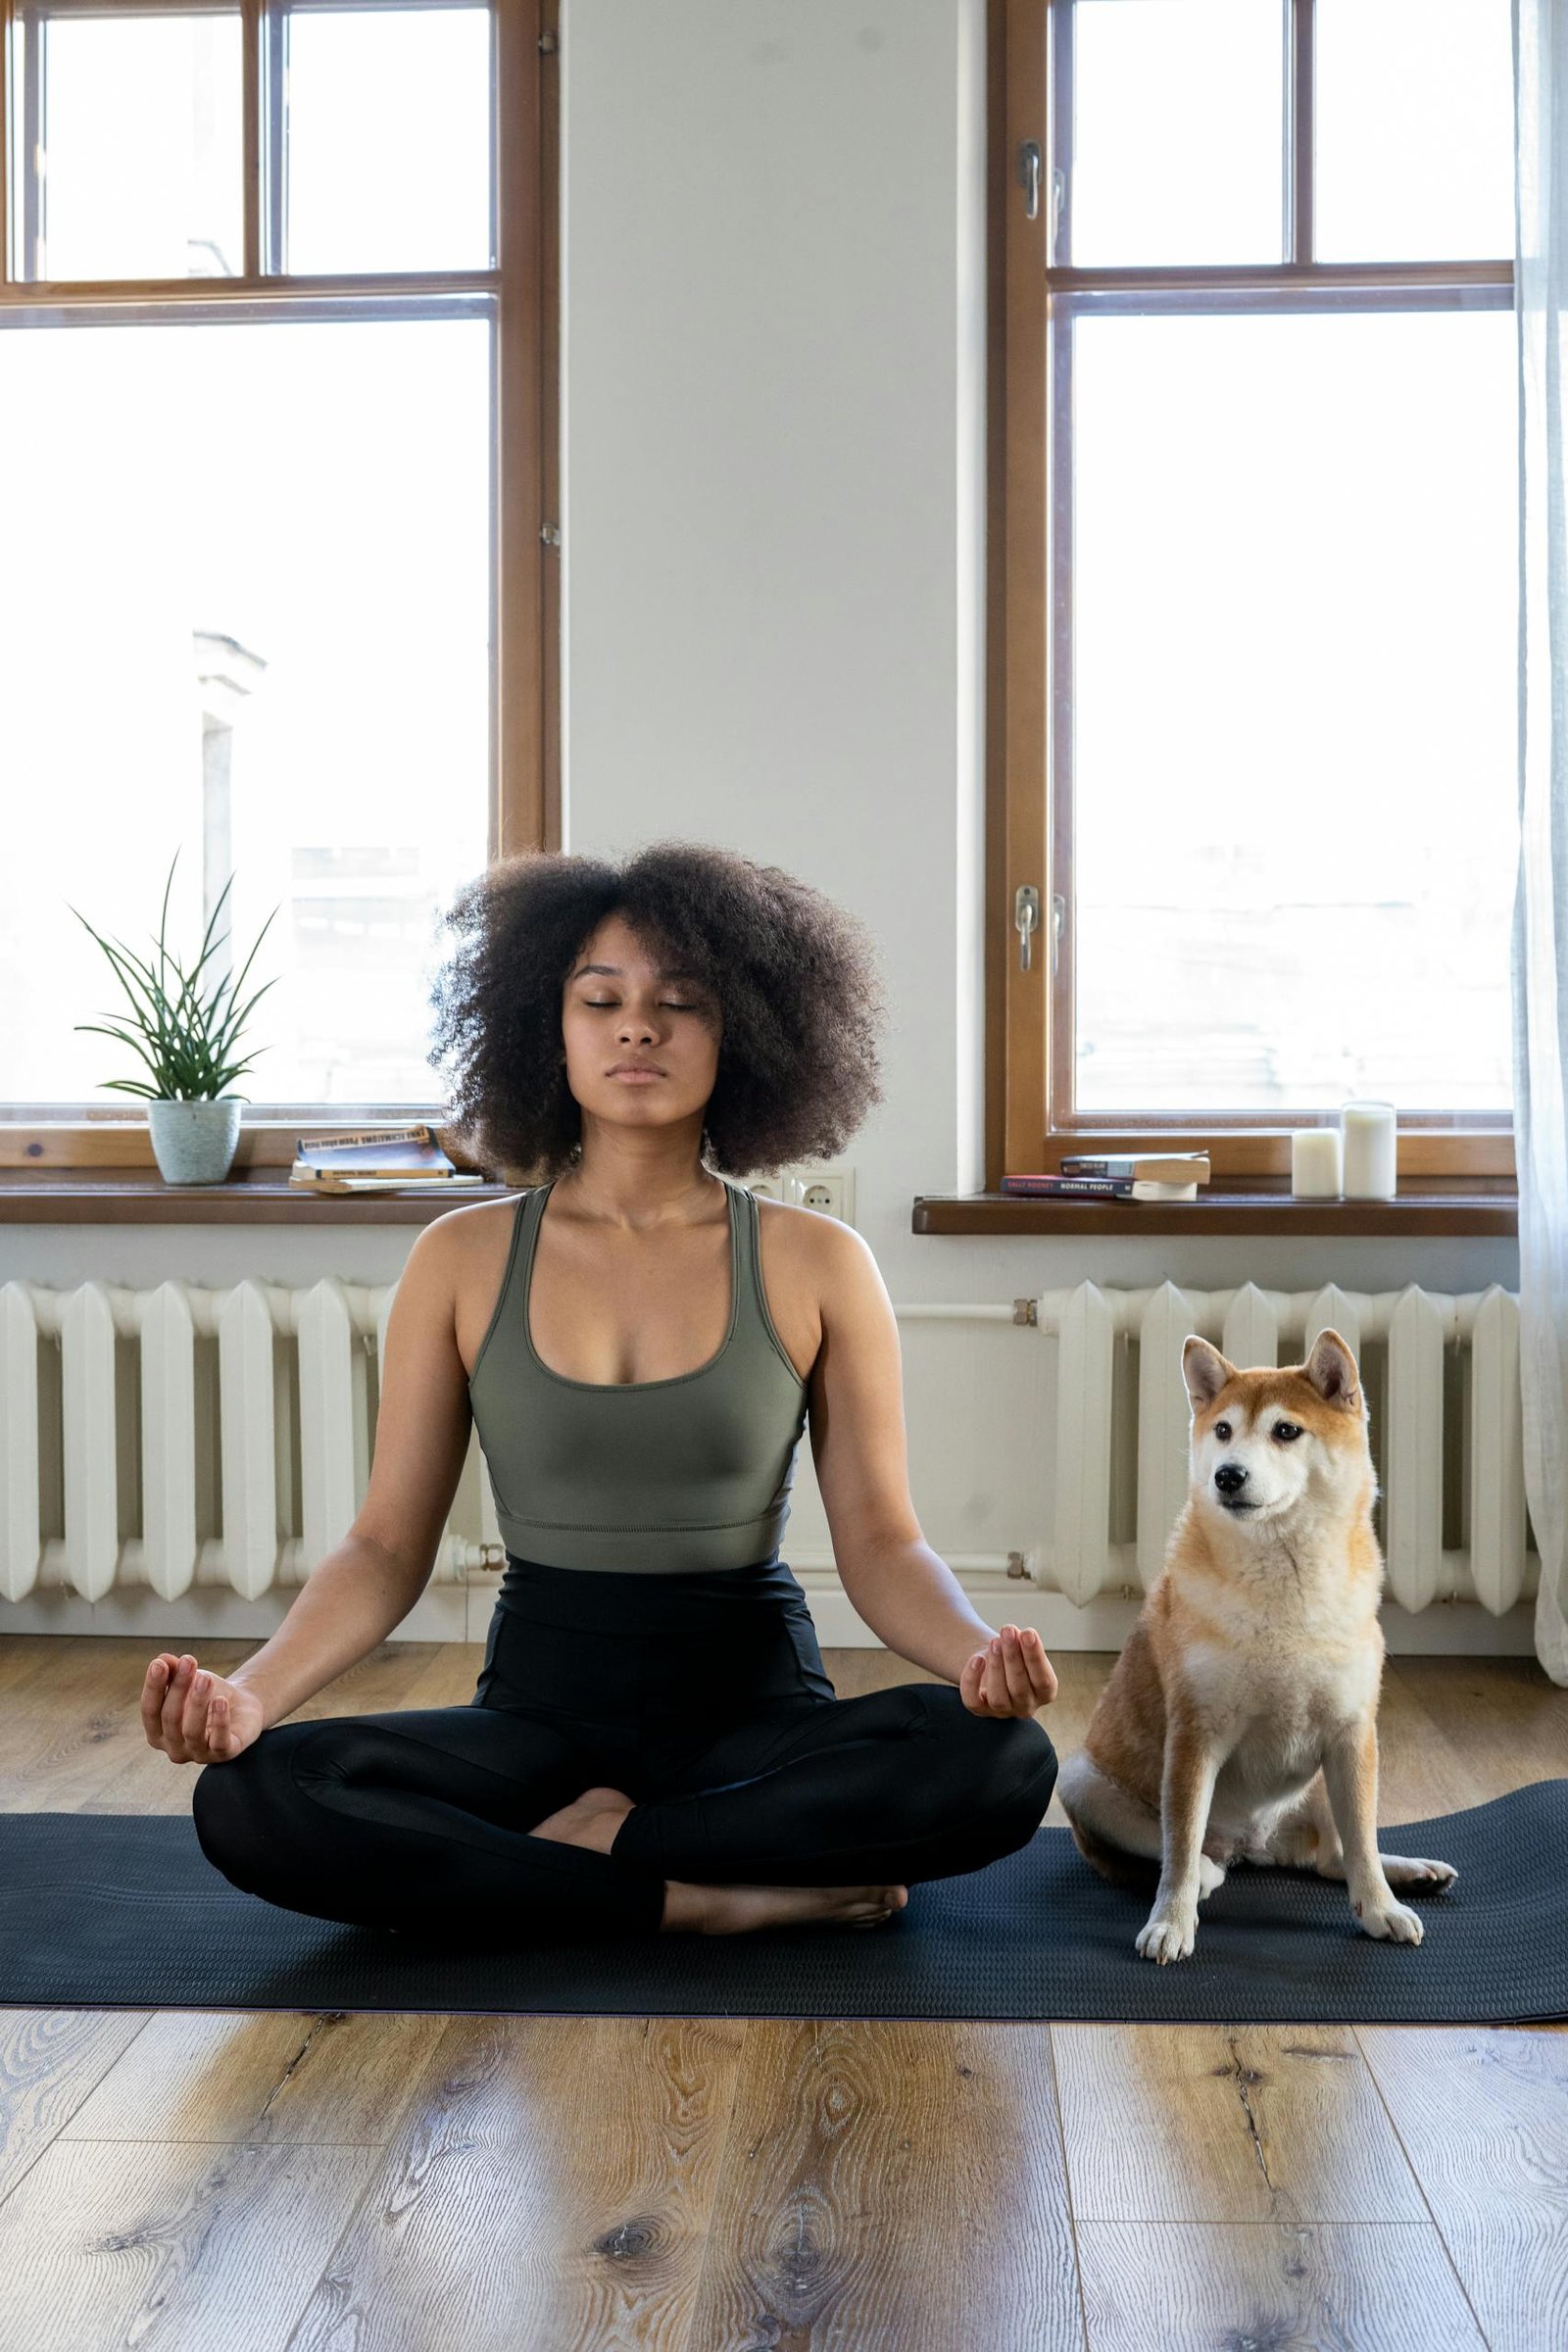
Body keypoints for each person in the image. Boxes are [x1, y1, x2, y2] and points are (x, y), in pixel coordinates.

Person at [146, 840, 1060, 1942]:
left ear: (748, 1036)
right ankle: (699, 1895)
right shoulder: (461, 1257)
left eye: (681, 1003)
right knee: (254, 1796)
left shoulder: (817, 1261)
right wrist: (249, 1698)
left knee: (1003, 1761)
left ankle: (593, 1856)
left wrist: (972, 1660)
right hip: (538, 1720)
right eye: (601, 1000)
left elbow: (880, 1544)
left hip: (752, 1716)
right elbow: (386, 1548)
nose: (638, 1027)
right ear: (550, 1028)